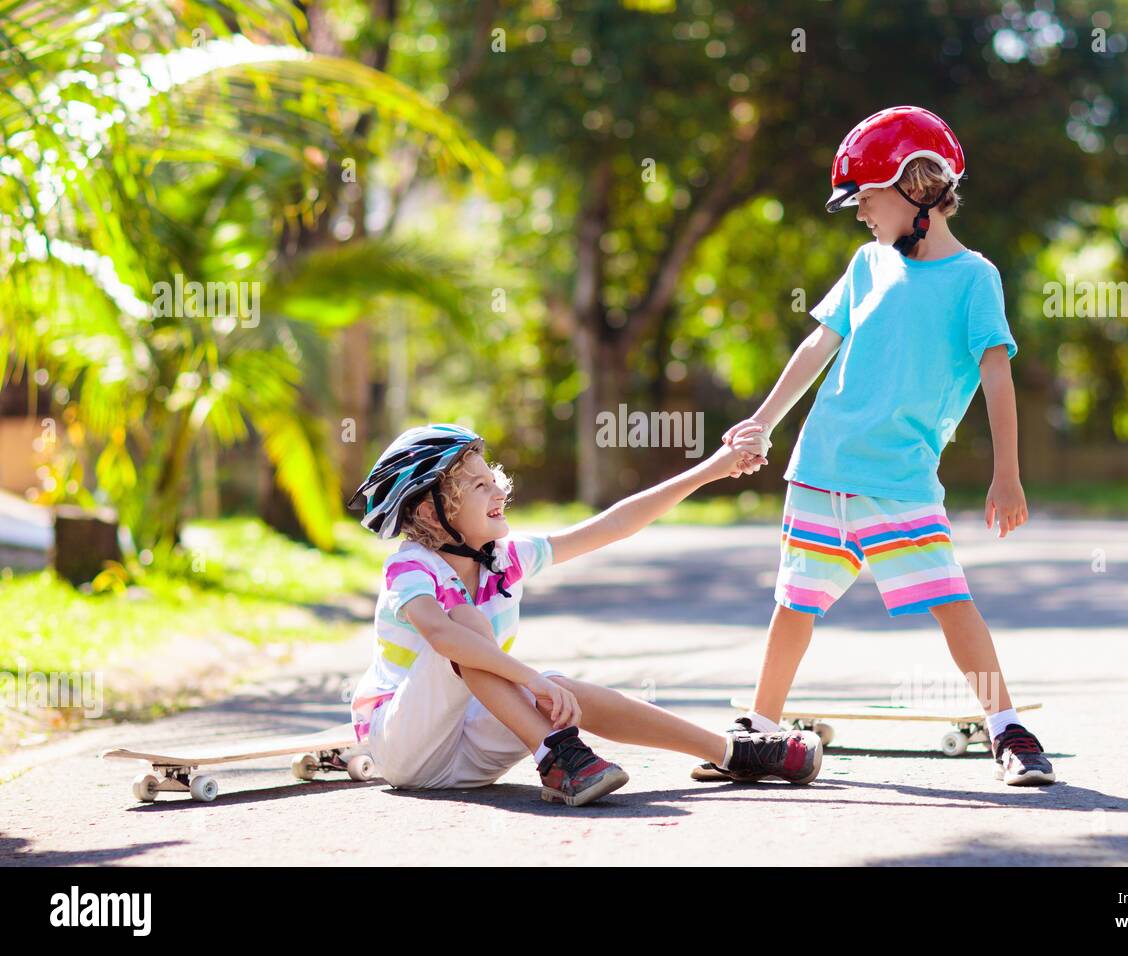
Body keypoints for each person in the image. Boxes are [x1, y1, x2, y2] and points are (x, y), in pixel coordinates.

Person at [706, 106, 1055, 786]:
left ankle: (1008, 728)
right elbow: (818, 345)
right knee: (793, 606)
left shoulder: (973, 278)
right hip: (820, 470)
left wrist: (1007, 474)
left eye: (865, 199)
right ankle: (761, 726)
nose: (860, 214)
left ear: (916, 187)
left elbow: (996, 375)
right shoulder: (867, 265)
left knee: (952, 603)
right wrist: (763, 421)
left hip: (899, 480)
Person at [346, 423, 822, 807]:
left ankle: (733, 753)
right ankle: (558, 755)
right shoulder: (410, 565)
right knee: (469, 629)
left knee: (560, 691)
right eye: (477, 485)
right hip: (406, 748)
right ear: (431, 513)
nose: (498, 491)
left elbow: (613, 524)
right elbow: (445, 638)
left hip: (472, 758)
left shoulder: (504, 557)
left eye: (494, 480)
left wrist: (709, 472)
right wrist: (533, 680)